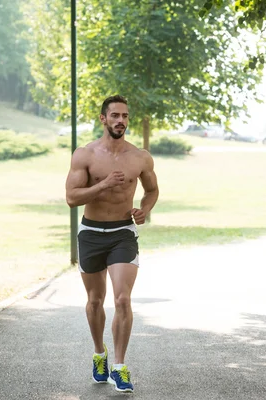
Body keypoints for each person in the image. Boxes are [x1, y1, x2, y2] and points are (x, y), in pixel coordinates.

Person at [65, 95, 159, 393]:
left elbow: (152, 190)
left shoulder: (140, 157)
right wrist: (104, 184)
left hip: (123, 232)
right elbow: (71, 198)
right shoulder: (85, 155)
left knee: (122, 300)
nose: (121, 121)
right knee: (95, 301)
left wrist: (145, 208)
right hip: (91, 232)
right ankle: (99, 354)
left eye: (125, 116)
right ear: (103, 119)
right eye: (115, 115)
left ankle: (119, 366)